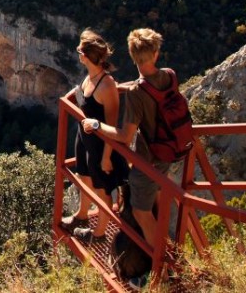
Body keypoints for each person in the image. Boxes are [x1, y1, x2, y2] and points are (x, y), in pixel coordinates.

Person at [83, 28, 173, 254]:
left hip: (150, 158)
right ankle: (177, 248)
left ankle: (162, 262)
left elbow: (125, 136)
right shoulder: (169, 75)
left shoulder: (136, 95)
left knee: (142, 212)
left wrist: (96, 125)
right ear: (156, 54)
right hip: (172, 149)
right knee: (163, 201)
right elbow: (147, 83)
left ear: (133, 58)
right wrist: (119, 88)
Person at [62, 29, 128, 243]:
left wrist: (107, 157)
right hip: (84, 139)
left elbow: (111, 123)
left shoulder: (106, 85)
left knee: (102, 189)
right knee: (84, 177)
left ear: (87, 55)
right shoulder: (90, 77)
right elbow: (83, 96)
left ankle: (99, 234)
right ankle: (82, 215)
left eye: (80, 51)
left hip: (100, 146)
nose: (78, 54)